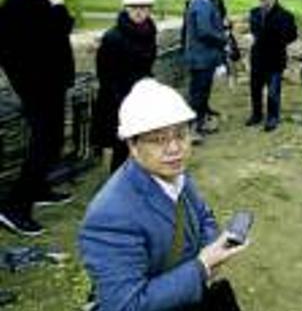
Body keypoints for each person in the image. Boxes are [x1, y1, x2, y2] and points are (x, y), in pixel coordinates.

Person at [79, 79, 247, 310]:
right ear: (133, 146)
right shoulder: (109, 216)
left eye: (180, 135)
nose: (174, 149)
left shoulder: (175, 174)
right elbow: (126, 305)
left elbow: (203, 215)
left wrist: (214, 248)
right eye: (158, 140)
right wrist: (202, 266)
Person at [0, 0, 75, 236]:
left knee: (50, 140)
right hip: (39, 87)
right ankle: (14, 208)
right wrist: (58, 8)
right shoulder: (25, 2)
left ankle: (39, 189)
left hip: (44, 84)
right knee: (44, 143)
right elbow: (52, 38)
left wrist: (56, 9)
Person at [93, 0, 158, 172]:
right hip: (116, 99)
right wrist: (122, 100)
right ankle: (119, 184)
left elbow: (147, 66)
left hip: (141, 95)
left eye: (144, 7)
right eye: (134, 7)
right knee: (120, 144)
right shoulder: (112, 37)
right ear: (126, 8)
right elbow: (104, 74)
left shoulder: (150, 33)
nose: (139, 12)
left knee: (142, 140)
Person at [246, 0, 297, 132]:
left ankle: (272, 118)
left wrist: (278, 41)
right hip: (258, 58)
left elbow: (292, 35)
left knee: (273, 91)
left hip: (275, 59)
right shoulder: (254, 13)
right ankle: (256, 115)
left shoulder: (286, 16)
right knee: (255, 89)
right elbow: (254, 32)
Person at [184, 0, 227, 138]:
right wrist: (222, 37)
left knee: (202, 92)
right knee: (198, 94)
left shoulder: (205, 0)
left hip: (204, 57)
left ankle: (199, 125)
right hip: (201, 57)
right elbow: (204, 31)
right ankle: (191, 130)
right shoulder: (201, 2)